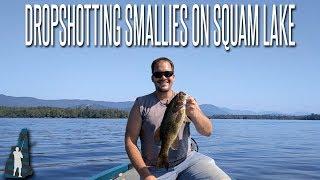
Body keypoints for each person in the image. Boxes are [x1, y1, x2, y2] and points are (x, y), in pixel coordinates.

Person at [125, 57, 230, 180]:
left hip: (189, 161)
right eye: (158, 74)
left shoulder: (188, 103)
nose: (163, 77)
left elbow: (207, 132)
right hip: (155, 168)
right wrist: (146, 175)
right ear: (152, 78)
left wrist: (195, 112)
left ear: (173, 77)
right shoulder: (141, 104)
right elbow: (130, 141)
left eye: (167, 73)